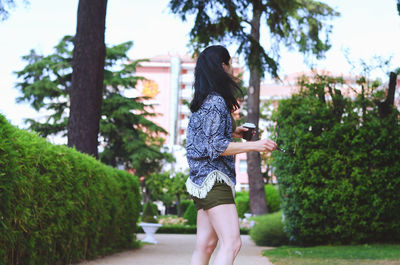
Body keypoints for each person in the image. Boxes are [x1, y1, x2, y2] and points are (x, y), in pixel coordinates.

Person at [186, 45, 277, 265]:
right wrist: (255, 145)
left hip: (199, 180)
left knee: (205, 246)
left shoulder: (203, 100)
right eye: (230, 64)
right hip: (214, 180)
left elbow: (207, 139)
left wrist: (235, 132)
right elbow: (217, 146)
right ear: (222, 66)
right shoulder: (217, 101)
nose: (233, 69)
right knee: (232, 244)